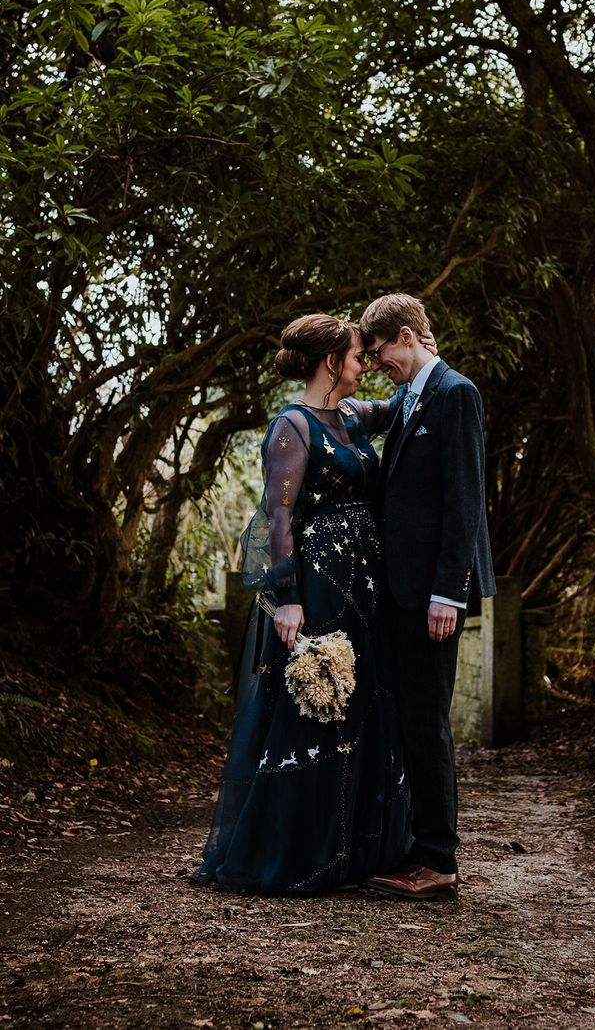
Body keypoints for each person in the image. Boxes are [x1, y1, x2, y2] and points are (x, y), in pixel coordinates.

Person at [190, 313, 423, 895]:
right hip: (318, 583)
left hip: (364, 582)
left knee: (362, 701)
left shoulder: (351, 415)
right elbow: (280, 518)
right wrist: (289, 601)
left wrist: (424, 354)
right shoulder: (291, 428)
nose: (363, 365)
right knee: (316, 703)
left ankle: (352, 851)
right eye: (355, 356)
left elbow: (404, 404)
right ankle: (297, 852)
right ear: (330, 363)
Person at [359, 293, 496, 901]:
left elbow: (464, 501)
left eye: (380, 348)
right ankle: (418, 848)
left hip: (433, 595)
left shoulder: (456, 393)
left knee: (427, 723)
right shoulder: (413, 396)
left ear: (408, 336)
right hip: (402, 590)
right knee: (409, 721)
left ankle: (439, 861)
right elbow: (383, 413)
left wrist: (449, 592)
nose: (375, 359)